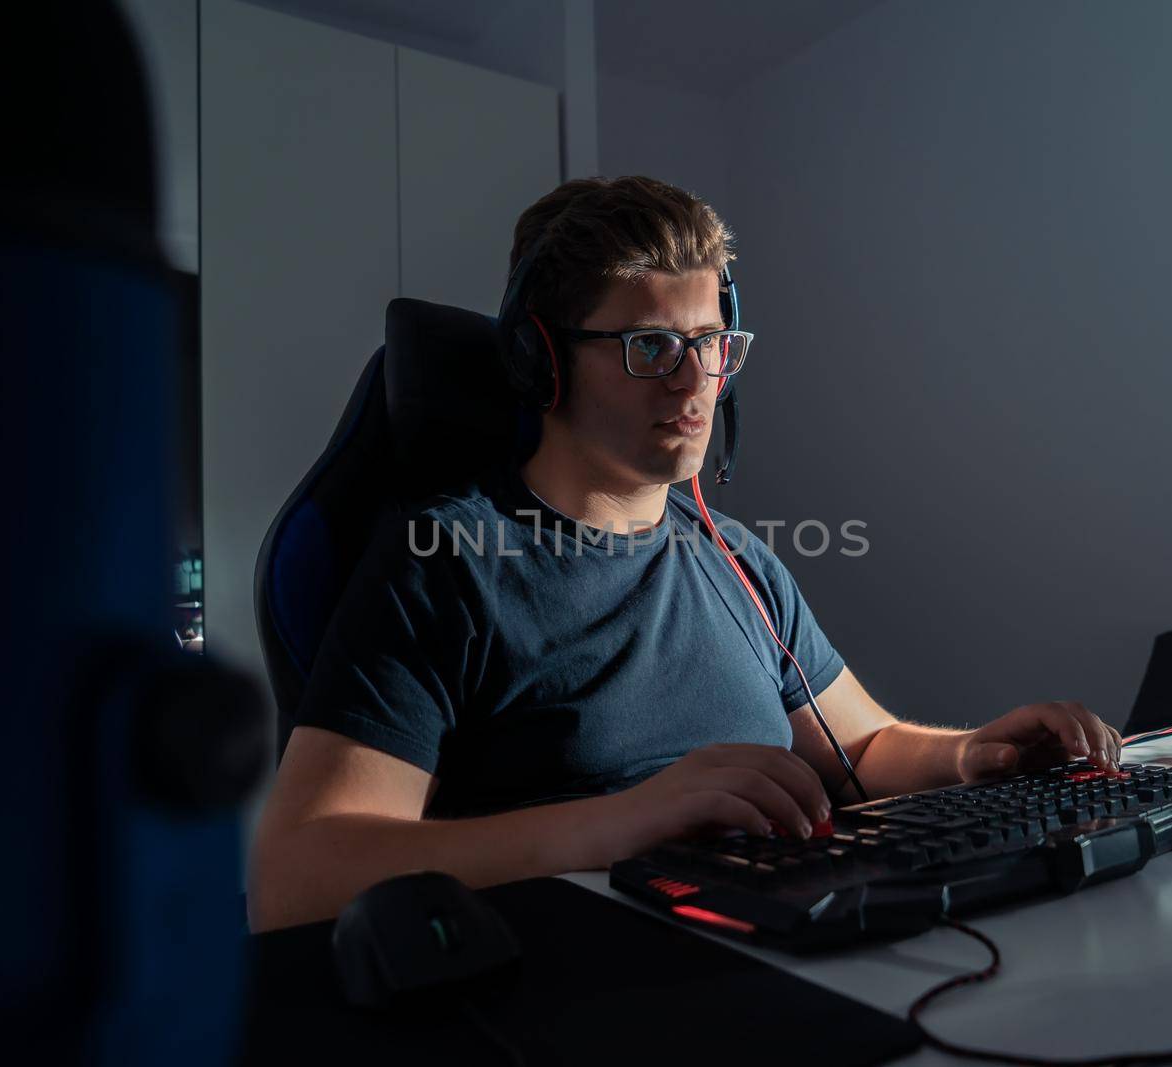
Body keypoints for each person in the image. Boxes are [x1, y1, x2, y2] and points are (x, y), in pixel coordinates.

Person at [247, 176, 1122, 932]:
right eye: (652, 346)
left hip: (786, 943)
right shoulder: (445, 562)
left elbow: (868, 743)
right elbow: (296, 875)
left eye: (711, 345)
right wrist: (621, 822)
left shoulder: (736, 557)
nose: (695, 382)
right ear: (541, 361)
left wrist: (975, 755)